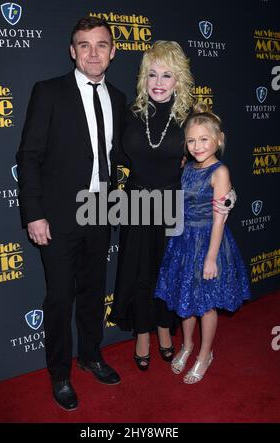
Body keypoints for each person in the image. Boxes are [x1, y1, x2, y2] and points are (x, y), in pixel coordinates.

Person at [17, 16, 126, 410]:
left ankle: (91, 355)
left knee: (94, 293)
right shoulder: (48, 92)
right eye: (84, 45)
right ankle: (60, 374)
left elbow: (123, 154)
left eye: (101, 45)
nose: (93, 53)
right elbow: (29, 157)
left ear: (113, 52)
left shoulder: (117, 98)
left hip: (101, 209)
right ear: (72, 51)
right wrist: (34, 213)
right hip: (59, 216)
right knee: (60, 298)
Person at [109, 41, 195, 370]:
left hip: (172, 202)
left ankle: (164, 328)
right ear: (144, 78)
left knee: (166, 271)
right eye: (152, 75)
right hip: (136, 202)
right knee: (139, 272)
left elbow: (204, 161)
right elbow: (111, 153)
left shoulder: (189, 118)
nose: (158, 83)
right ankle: (143, 332)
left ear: (179, 80)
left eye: (167, 75)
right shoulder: (130, 115)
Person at [155, 103, 251, 383]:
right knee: (185, 300)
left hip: (210, 242)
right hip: (184, 241)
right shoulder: (188, 167)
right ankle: (187, 345)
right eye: (191, 140)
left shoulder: (220, 172)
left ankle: (204, 354)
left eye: (204, 139)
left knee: (207, 303)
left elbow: (220, 220)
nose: (197, 146)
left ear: (219, 140)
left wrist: (211, 257)